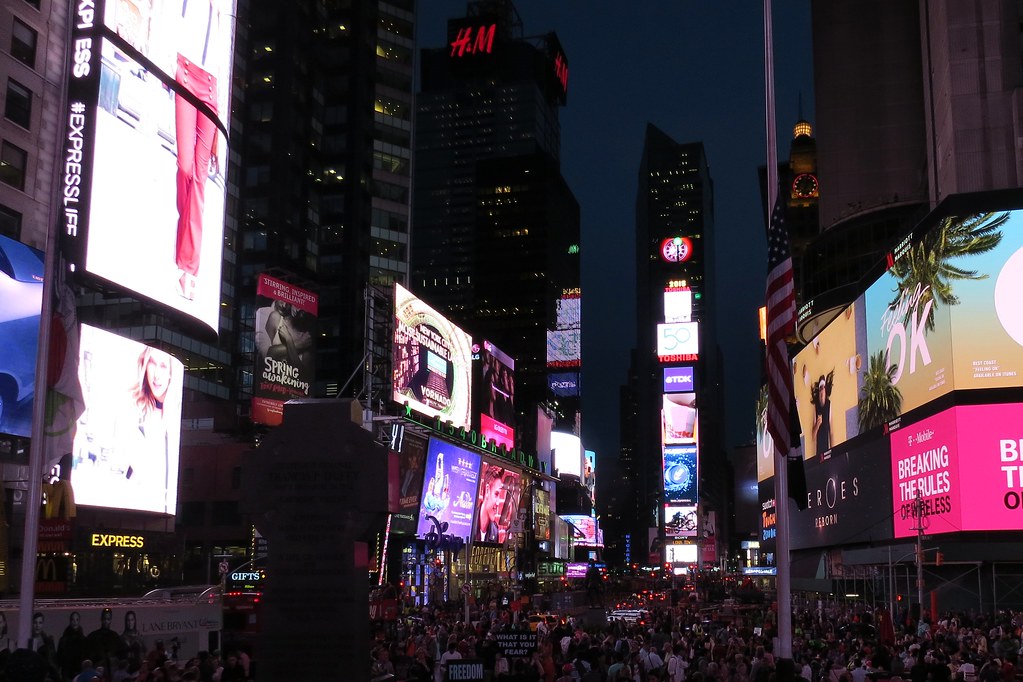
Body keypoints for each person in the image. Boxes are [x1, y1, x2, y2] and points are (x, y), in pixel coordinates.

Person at [170, 0, 227, 302]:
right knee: (185, 168)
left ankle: (188, 269)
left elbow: (223, 52)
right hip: (186, 70)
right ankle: (184, 248)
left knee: (201, 180)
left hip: (211, 84)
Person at [120, 346, 177, 512]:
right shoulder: (135, 407)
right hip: (137, 501)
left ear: (171, 373)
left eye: (163, 366)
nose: (157, 375)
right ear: (145, 366)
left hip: (163, 508)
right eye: (152, 363)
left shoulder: (175, 410)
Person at [476, 465, 511, 543]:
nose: (498, 502)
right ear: (487, 490)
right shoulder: (469, 522)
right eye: (496, 494)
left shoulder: (495, 530)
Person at [58, 611, 88, 681]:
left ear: (79, 621)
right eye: (73, 619)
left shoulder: (84, 640)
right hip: (67, 674)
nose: (75, 622)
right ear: (70, 621)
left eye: (77, 620)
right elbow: (59, 658)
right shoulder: (64, 640)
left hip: (79, 673)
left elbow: (85, 657)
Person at [811, 372, 834, 456]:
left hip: (827, 450)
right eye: (820, 388)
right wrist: (817, 425)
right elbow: (813, 437)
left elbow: (831, 433)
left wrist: (834, 451)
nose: (822, 390)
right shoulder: (815, 407)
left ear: (825, 390)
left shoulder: (829, 405)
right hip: (818, 452)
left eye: (823, 387)